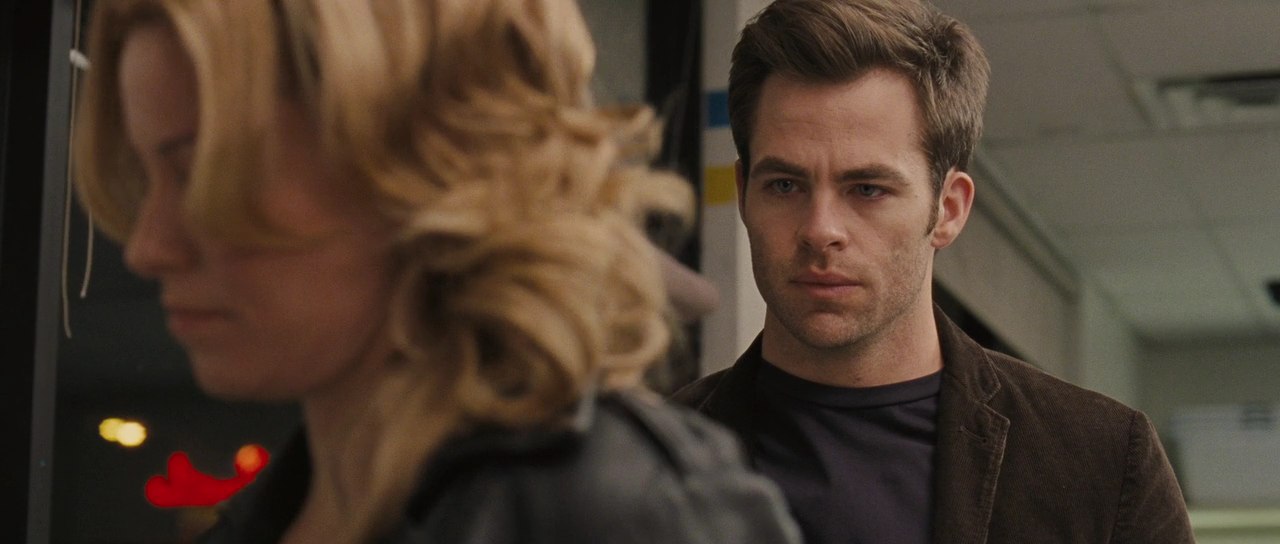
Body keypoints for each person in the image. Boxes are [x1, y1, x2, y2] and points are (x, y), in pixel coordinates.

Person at [73, 1, 802, 543]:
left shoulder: (628, 516)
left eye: (201, 174)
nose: (148, 247)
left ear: (418, 162)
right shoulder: (270, 515)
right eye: (145, 179)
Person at [672, 0, 1195, 542]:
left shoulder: (1101, 463)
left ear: (948, 209)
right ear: (743, 194)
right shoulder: (645, 470)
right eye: (784, 185)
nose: (820, 229)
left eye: (867, 189)